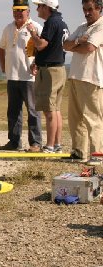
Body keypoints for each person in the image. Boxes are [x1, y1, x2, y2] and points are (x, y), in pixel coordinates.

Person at [0, 0, 43, 152]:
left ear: (28, 11)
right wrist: (3, 65)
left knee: (33, 111)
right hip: (12, 76)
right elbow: (1, 47)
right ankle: (14, 141)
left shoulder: (35, 27)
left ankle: (35, 143)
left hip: (29, 77)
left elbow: (43, 48)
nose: (18, 13)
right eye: (16, 10)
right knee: (13, 111)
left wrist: (38, 64)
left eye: (21, 10)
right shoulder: (8, 28)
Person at [63, 0, 103, 164]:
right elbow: (65, 45)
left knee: (92, 118)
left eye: (90, 9)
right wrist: (79, 41)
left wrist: (77, 45)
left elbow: (89, 48)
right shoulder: (81, 27)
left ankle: (97, 154)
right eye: (84, 9)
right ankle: (79, 152)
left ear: (99, 9)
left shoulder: (101, 26)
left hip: (91, 78)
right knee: (75, 118)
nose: (86, 13)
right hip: (75, 76)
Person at [26, 0, 69, 153]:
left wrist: (32, 32)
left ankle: (50, 146)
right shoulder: (61, 21)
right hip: (58, 69)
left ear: (46, 7)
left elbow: (41, 44)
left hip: (50, 71)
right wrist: (37, 61)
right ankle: (56, 144)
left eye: (39, 6)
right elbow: (51, 48)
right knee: (56, 109)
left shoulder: (52, 22)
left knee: (49, 111)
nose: (37, 8)